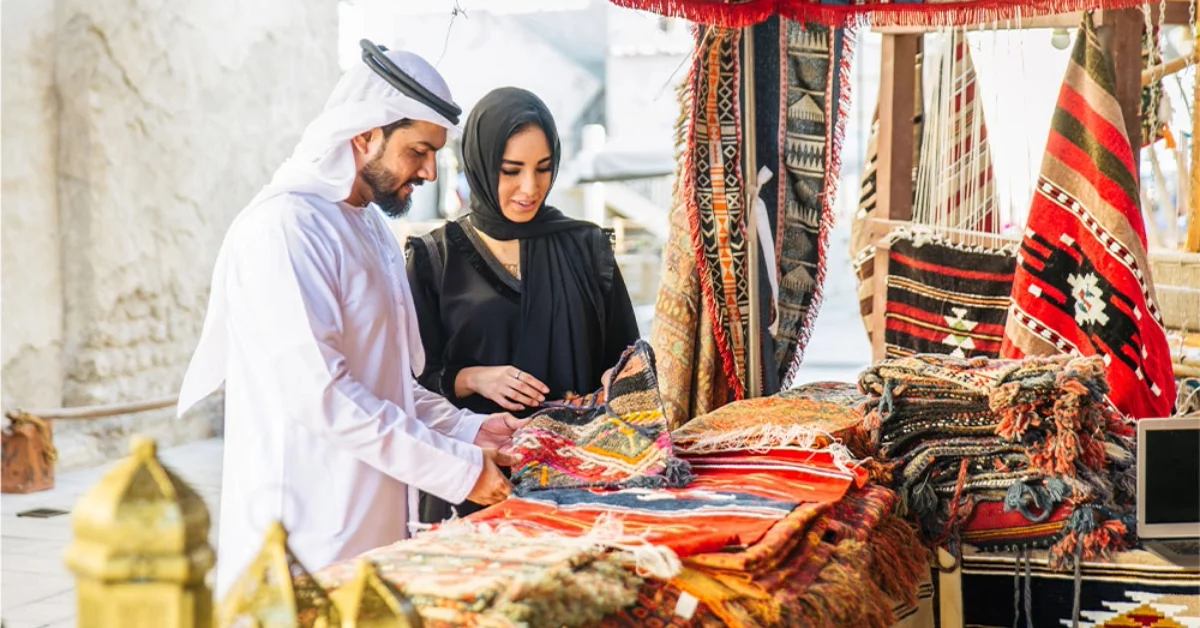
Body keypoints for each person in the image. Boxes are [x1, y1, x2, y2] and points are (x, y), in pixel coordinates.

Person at [175, 42, 522, 600]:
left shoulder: (370, 228)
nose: (431, 171)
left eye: (435, 153)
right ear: (364, 136)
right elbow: (328, 398)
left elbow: (387, 385)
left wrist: (468, 429)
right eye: (417, 151)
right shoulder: (286, 229)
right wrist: (460, 470)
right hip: (304, 538)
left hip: (372, 528)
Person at [405, 87, 641, 524]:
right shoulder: (434, 260)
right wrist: (474, 379)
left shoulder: (587, 249)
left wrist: (619, 381)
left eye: (543, 169)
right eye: (511, 170)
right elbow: (408, 387)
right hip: (477, 486)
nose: (529, 189)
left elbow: (628, 362)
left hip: (582, 484)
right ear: (479, 162)